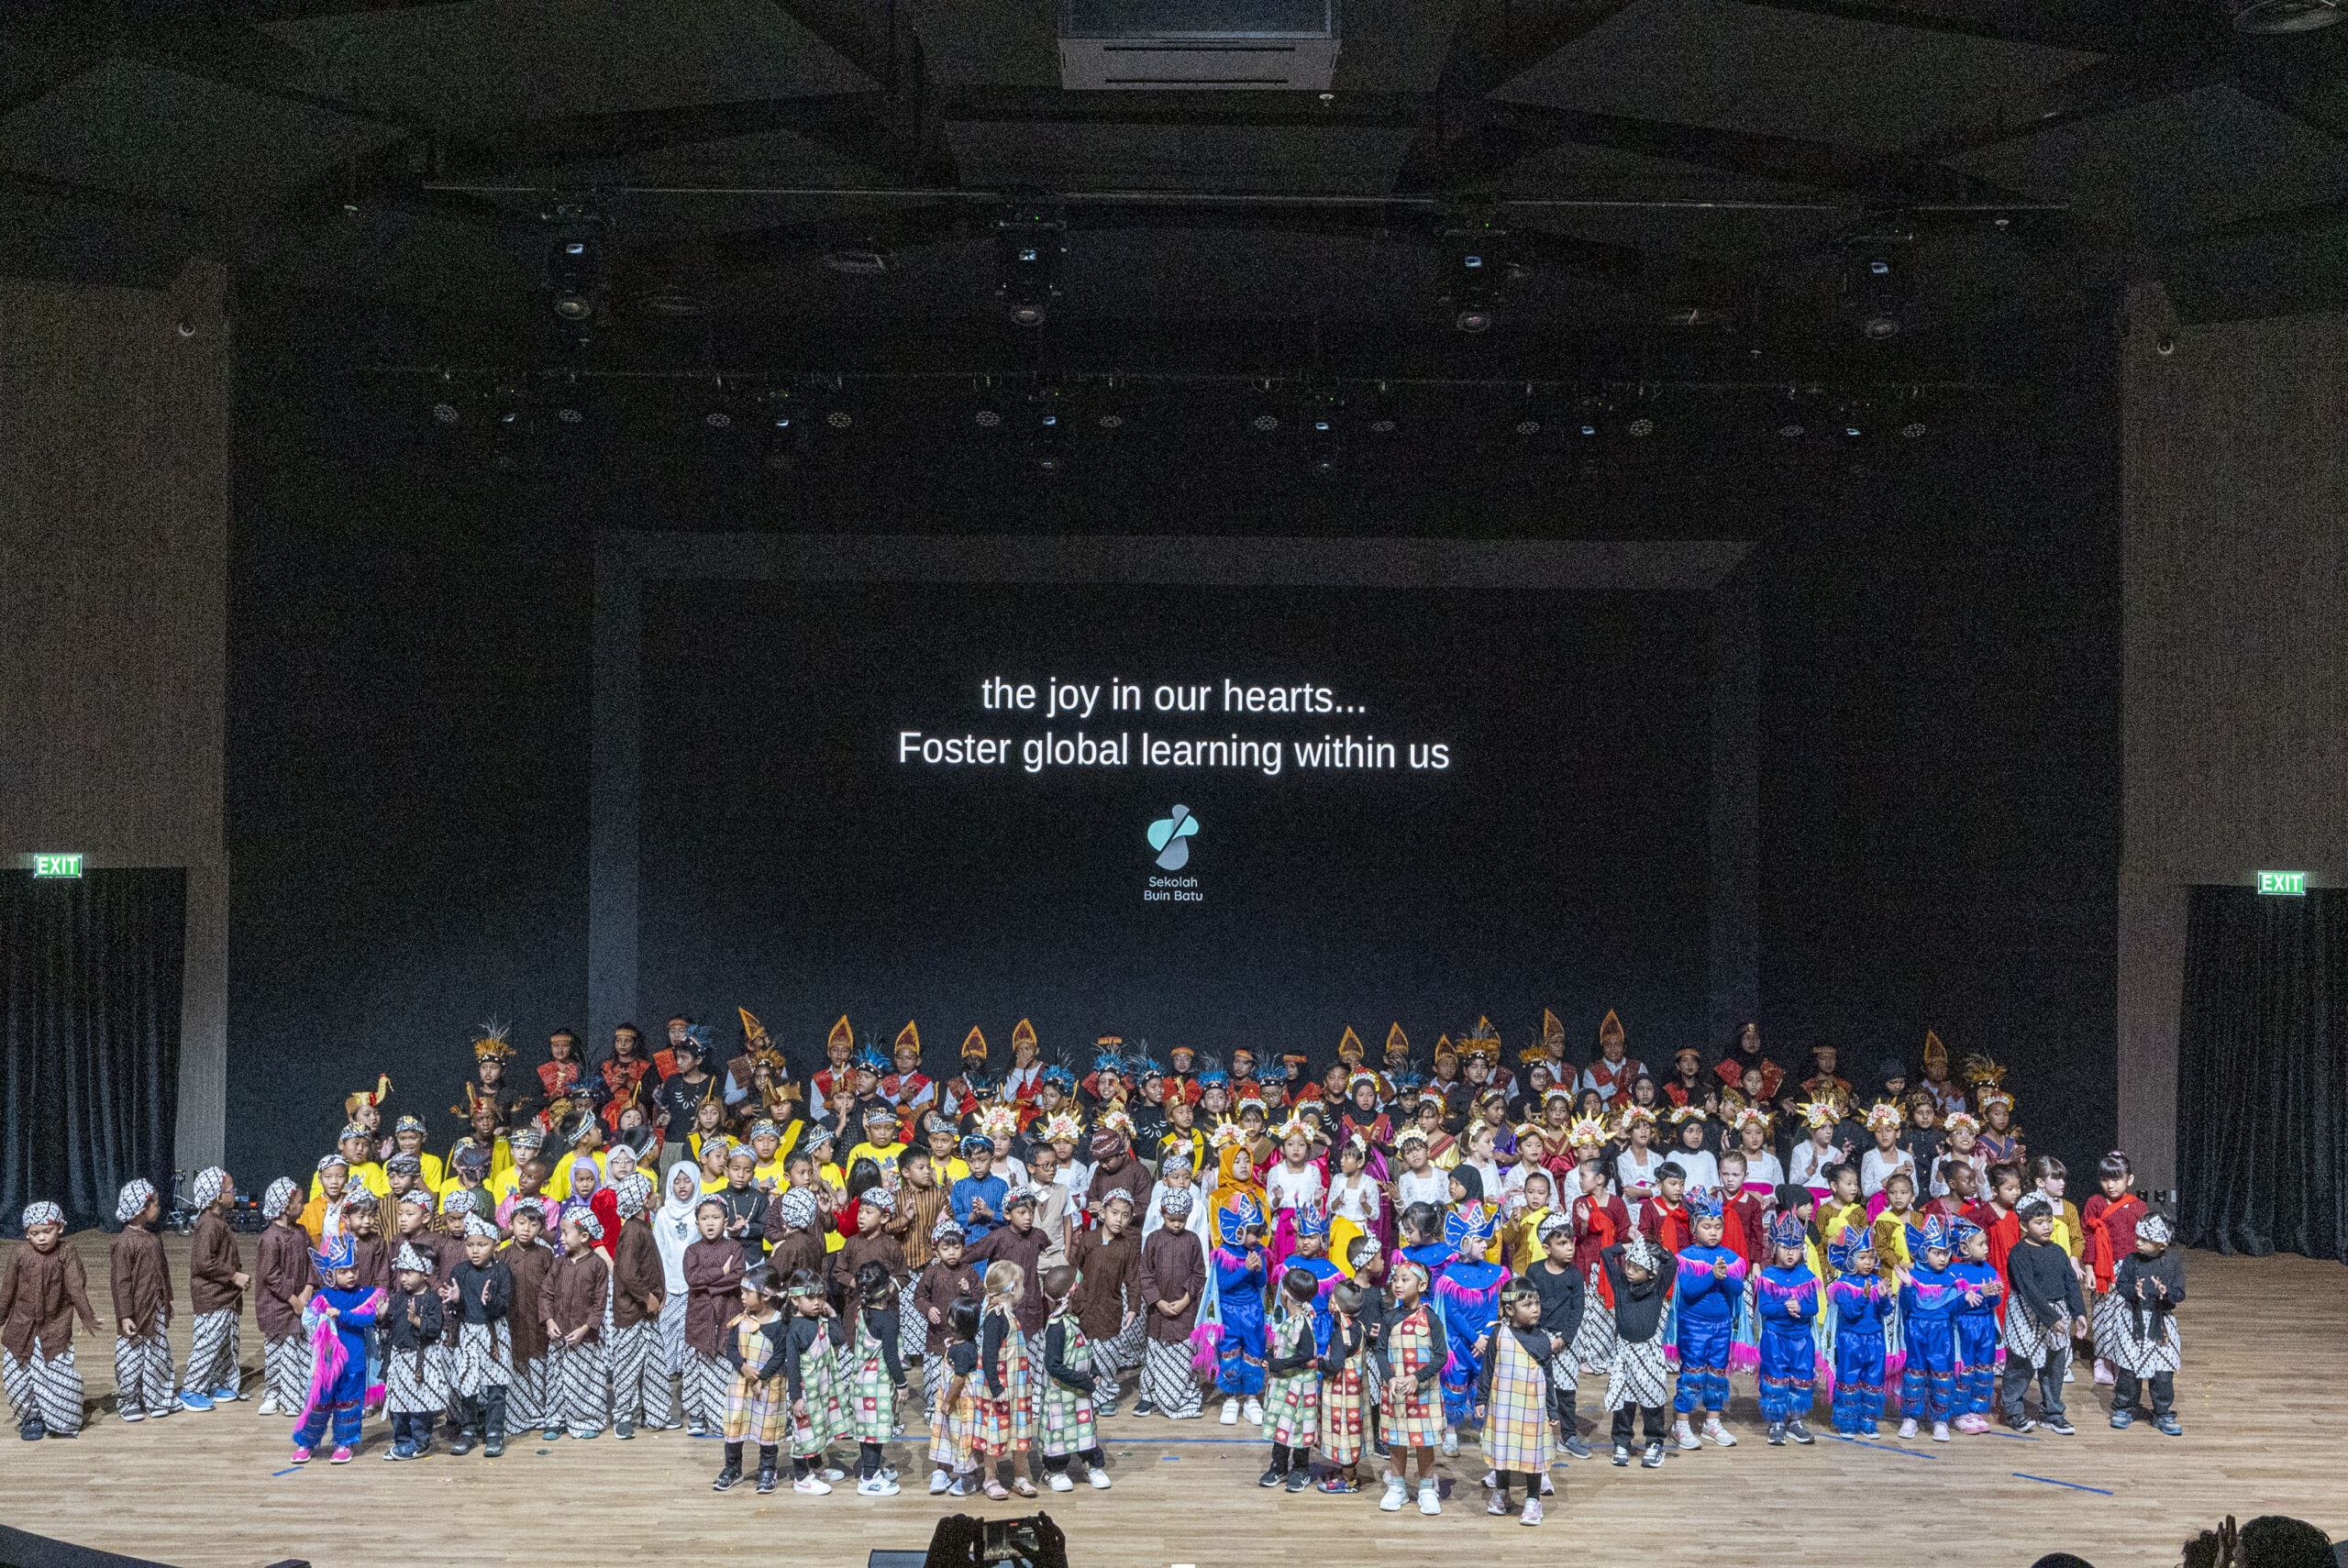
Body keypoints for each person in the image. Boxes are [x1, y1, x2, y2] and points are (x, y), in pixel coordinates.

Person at [1, 1201, 98, 1441]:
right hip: (21, 1328)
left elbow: (75, 1287)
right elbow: (7, 1290)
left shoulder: (66, 1252)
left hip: (54, 1327)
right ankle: (31, 1417)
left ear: (60, 1228)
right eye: (35, 1233)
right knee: (17, 1376)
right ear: (27, 1233)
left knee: (58, 1374)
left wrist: (86, 1316)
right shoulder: (20, 1254)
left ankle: (63, 1419)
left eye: (47, 1231)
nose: (42, 1238)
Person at [1999, 1193, 2086, 1434]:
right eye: (2039, 1222)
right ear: (2024, 1225)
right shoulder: (2019, 1253)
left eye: (2049, 1221)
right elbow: (2029, 1289)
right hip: (2027, 1312)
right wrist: (2051, 1318)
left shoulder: (2057, 1251)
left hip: (2056, 1312)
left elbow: (2071, 1283)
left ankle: (2052, 1413)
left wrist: (2078, 1312)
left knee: (2054, 1364)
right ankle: (2013, 1411)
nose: (2047, 1226)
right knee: (2021, 1363)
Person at [290, 1233, 379, 1465]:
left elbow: (369, 1319)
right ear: (330, 1275)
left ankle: (345, 1442)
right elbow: (308, 1320)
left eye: (354, 1269)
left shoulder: (365, 1295)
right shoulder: (324, 1296)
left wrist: (342, 1315)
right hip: (328, 1362)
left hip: (353, 1361)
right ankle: (306, 1442)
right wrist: (323, 1323)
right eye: (343, 1271)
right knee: (318, 1401)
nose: (351, 1275)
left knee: (349, 1402)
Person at [1668, 1187, 1744, 1450]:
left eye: (1718, 1227)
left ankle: (1712, 1422)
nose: (1713, 1232)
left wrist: (1725, 1276)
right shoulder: (1687, 1257)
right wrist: (1712, 1275)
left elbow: (1737, 1290)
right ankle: (1681, 1424)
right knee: (1692, 1375)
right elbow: (1689, 1291)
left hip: (1722, 1326)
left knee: (1717, 1375)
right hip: (1694, 1326)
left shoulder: (1731, 1258)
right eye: (1707, 1226)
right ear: (1694, 1228)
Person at [1374, 1256, 1448, 1514]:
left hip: (1424, 1392)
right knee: (1397, 1441)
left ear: (1422, 1285)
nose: (1397, 1284)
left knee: (1424, 1441)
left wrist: (1418, 1377)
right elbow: (1380, 1351)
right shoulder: (1390, 1318)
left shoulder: (1431, 1319)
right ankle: (1397, 1487)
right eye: (1395, 1279)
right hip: (1396, 1393)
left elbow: (1441, 1356)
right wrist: (1390, 1378)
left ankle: (1426, 1488)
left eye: (1405, 1280)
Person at [1476, 1278, 1554, 1525]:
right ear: (1509, 1309)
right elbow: (1487, 1369)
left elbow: (1548, 1377)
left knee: (1532, 1453)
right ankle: (1502, 1492)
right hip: (1503, 1406)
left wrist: (1553, 1410)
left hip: (1532, 1407)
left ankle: (1532, 1499)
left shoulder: (1542, 1339)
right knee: (1502, 1449)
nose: (1535, 1309)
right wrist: (1481, 1399)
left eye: (1537, 1303)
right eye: (1527, 1305)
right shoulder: (1499, 1334)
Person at [1432, 1200, 1504, 1455]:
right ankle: (1451, 1432)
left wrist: (1486, 1336)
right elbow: (1453, 1313)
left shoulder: (1491, 1273)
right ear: (1464, 1243)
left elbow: (1493, 1307)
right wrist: (1475, 1338)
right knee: (1455, 1384)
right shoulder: (1450, 1276)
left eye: (1485, 1240)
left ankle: (1484, 1429)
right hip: (1458, 1343)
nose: (1485, 1245)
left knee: (1481, 1384)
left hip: (1483, 1343)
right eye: (1479, 1240)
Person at [2101, 1211, 2184, 1434]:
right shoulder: (2131, 1260)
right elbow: (2122, 1286)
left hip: (2161, 1322)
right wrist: (2134, 1291)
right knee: (2129, 1368)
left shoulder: (2172, 1262)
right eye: (2137, 1237)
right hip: (2133, 1320)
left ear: (2162, 1244)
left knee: (2163, 1371)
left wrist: (2165, 1293)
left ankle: (2162, 1412)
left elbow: (2179, 1293)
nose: (2138, 1242)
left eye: (2145, 1240)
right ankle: (2124, 1407)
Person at [712, 1264, 790, 1494]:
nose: (742, 1297)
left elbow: (780, 1355)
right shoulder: (741, 1320)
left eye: (747, 1292)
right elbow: (731, 1348)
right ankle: (733, 1468)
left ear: (765, 1295)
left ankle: (767, 1469)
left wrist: (760, 1378)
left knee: (767, 1428)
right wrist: (744, 1368)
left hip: (768, 1384)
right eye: (742, 1291)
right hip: (740, 1382)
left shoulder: (779, 1324)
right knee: (735, 1424)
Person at [677, 1196, 748, 1438]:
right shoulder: (692, 1251)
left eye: (716, 1218)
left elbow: (737, 1278)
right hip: (700, 1318)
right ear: (697, 1223)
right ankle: (697, 1415)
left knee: (725, 1368)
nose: (710, 1223)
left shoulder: (734, 1248)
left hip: (728, 1313)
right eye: (704, 1218)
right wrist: (721, 1272)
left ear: (725, 1222)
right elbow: (692, 1279)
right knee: (696, 1370)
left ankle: (725, 1417)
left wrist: (709, 1286)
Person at [1600, 1232, 1672, 1468]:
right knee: (1624, 1402)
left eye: (1637, 1268)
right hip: (1625, 1354)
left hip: (1649, 1353)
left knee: (1652, 1401)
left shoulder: (1657, 1286)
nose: (1629, 1271)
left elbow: (1672, 1262)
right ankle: (1622, 1442)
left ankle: (1655, 1443)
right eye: (1628, 1265)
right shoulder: (1620, 1282)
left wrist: (1656, 1250)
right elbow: (1606, 1253)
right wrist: (1629, 1246)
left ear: (1651, 1273)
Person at [179, 1167, 249, 1410]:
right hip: (212, 1298)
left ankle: (215, 1382)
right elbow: (203, 1262)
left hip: (224, 1297)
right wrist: (233, 1275)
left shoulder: (217, 1221)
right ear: (218, 1197)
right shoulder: (209, 1224)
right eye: (231, 1190)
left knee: (222, 1344)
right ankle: (191, 1389)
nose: (234, 1193)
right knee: (208, 1344)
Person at [1068, 1190, 1142, 1415]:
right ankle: (1085, 1394)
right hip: (1083, 1305)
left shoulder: (1128, 1246)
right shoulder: (1088, 1239)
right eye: (1114, 1213)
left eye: (1125, 1215)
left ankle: (1105, 1395)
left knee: (1107, 1354)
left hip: (1110, 1308)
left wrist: (1133, 1308)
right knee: (1083, 1353)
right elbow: (1075, 1269)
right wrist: (1070, 1299)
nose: (1119, 1219)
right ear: (1102, 1213)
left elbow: (1133, 1280)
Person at [1752, 1211, 1822, 1445]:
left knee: (1802, 1377)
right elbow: (1764, 1307)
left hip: (1801, 1339)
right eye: (1784, 1247)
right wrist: (1785, 1308)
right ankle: (1777, 1422)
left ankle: (1796, 1422)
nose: (1790, 1253)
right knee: (1776, 1377)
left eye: (1796, 1247)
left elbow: (1813, 1307)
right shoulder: (1769, 1275)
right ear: (1774, 1248)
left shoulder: (1807, 1276)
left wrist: (1800, 1307)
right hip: (1775, 1338)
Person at [1137, 1187, 1206, 1419]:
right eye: (1171, 1219)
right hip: (1158, 1312)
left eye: (1181, 1220)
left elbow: (1199, 1274)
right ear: (1162, 1214)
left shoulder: (1193, 1240)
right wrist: (1157, 1302)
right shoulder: (1154, 1240)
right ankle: (1149, 1395)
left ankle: (1184, 1394)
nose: (1176, 1224)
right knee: (1155, 1353)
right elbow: (1145, 1274)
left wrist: (1186, 1300)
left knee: (1184, 1354)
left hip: (1185, 1311)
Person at [542, 1210, 612, 1439]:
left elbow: (600, 1304)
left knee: (586, 1381)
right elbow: (546, 1294)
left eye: (565, 1233)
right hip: (559, 1337)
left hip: (586, 1339)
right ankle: (556, 1420)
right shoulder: (558, 1264)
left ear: (583, 1236)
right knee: (556, 1380)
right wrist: (549, 1321)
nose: (560, 1238)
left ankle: (588, 1420)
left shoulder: (597, 1265)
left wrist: (585, 1329)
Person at [973, 1261, 1037, 1500]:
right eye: (1021, 1285)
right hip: (999, 1389)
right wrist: (996, 1387)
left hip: (1017, 1389)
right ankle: (990, 1478)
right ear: (1012, 1288)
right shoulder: (996, 1317)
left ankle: (1020, 1476)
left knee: (1019, 1431)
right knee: (995, 1432)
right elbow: (989, 1356)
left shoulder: (1008, 1315)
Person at [2081, 1151, 2147, 1386]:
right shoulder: (2095, 1204)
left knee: (2125, 1315)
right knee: (2102, 1314)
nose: (2110, 1185)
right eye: (2105, 1179)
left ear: (2130, 1179)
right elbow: (2088, 1237)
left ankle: (2121, 1361)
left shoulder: (2138, 1206)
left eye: (2116, 1179)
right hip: (2102, 1268)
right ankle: (2102, 1361)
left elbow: (2145, 1240)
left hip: (2129, 1268)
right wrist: (2089, 1268)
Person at [844, 1260, 909, 1495]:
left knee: (868, 1432)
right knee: (875, 1433)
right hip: (878, 1386)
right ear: (887, 1288)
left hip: (860, 1383)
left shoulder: (862, 1312)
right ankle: (869, 1478)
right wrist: (902, 1384)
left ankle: (871, 1469)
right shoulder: (888, 1319)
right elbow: (891, 1356)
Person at [250, 1178, 314, 1419]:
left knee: (298, 1350)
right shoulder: (270, 1238)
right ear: (286, 1207)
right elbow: (270, 1274)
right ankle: (274, 1393)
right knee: (277, 1351)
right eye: (300, 1202)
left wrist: (308, 1289)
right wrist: (293, 1299)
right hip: (277, 1306)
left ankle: (296, 1395)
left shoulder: (301, 1232)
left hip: (299, 1305)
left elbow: (313, 1261)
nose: (303, 1206)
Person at [1898, 1214, 1965, 1441]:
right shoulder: (1913, 1276)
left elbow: (1953, 1309)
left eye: (1946, 1253)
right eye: (1937, 1253)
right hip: (1916, 1330)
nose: (1943, 1258)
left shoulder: (1952, 1278)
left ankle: (1940, 1420)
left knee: (1941, 1374)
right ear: (1923, 1252)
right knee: (1914, 1373)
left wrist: (1967, 1300)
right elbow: (1906, 1306)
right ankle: (1911, 1418)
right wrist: (1908, 1287)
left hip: (1942, 1332)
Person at [783, 1268, 850, 1494]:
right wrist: (796, 1398)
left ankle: (816, 1466)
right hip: (805, 1393)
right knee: (804, 1434)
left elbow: (839, 1339)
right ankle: (802, 1477)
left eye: (820, 1297)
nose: (816, 1302)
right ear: (795, 1300)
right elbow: (792, 1367)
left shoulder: (820, 1319)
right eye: (810, 1297)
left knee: (818, 1429)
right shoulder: (795, 1329)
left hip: (822, 1388)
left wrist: (832, 1314)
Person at [382, 1242, 448, 1459]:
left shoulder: (432, 1299)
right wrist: (381, 1316)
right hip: (399, 1359)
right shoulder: (400, 1297)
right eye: (401, 1272)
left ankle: (420, 1442)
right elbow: (390, 1323)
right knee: (398, 1404)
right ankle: (402, 1441)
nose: (403, 1278)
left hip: (420, 1359)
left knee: (420, 1404)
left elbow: (435, 1328)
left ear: (425, 1273)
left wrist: (418, 1321)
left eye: (408, 1273)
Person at [1826, 1221, 1893, 1434]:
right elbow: (1849, 1312)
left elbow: (1885, 1311)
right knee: (1850, 1378)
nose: (1867, 1262)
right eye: (1862, 1258)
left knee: (1873, 1379)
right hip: (1851, 1339)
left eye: (1870, 1258)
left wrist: (1883, 1298)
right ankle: (1847, 1422)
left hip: (1874, 1339)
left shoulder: (1877, 1281)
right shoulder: (1843, 1285)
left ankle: (1868, 1421)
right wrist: (1864, 1297)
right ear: (1850, 1258)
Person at [499, 1201, 558, 1440]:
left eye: (533, 1225)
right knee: (517, 1363)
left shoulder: (545, 1255)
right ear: (510, 1224)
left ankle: (542, 1412)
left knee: (539, 1363)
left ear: (541, 1228)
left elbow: (552, 1289)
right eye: (521, 1223)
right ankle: (519, 1415)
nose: (526, 1229)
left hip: (538, 1320)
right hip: (512, 1321)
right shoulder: (503, 1256)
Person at [915, 1217, 983, 1421]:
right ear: (936, 1251)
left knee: (961, 1375)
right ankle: (934, 1410)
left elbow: (981, 1296)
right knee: (936, 1376)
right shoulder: (932, 1272)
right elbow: (919, 1296)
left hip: (964, 1339)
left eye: (956, 1247)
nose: (952, 1253)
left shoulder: (968, 1271)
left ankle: (960, 1409)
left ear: (963, 1247)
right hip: (938, 1336)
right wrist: (928, 1309)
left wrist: (969, 1291)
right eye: (945, 1248)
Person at [1948, 1217, 2004, 1430]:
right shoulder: (1953, 1272)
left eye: (1986, 1243)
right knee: (1965, 1367)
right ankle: (1960, 1411)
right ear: (1964, 1247)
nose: (1986, 1248)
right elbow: (1952, 1305)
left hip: (1986, 1325)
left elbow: (1994, 1301)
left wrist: (1993, 1294)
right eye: (1981, 1244)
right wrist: (1978, 1292)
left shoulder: (1989, 1269)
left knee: (1984, 1367)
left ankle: (1977, 1409)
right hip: (1964, 1326)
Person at [929, 1297, 985, 1496]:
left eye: (952, 1318)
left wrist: (947, 1401)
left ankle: (969, 1476)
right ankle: (943, 1471)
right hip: (953, 1404)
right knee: (947, 1436)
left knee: (964, 1438)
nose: (948, 1321)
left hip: (960, 1405)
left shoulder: (964, 1350)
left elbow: (959, 1379)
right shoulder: (959, 1344)